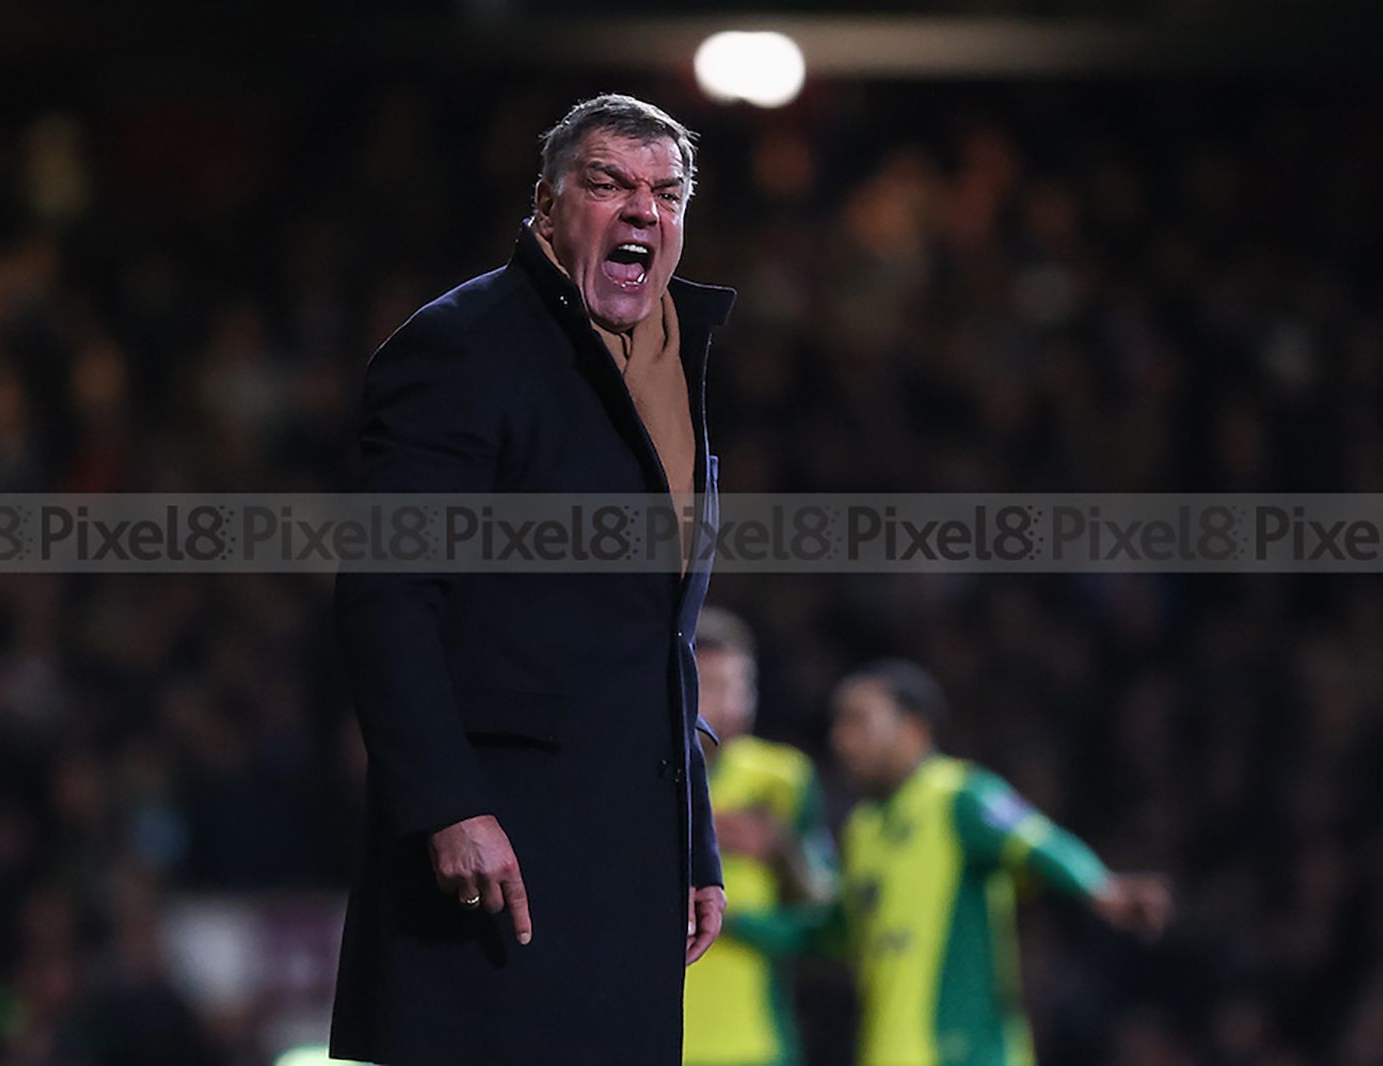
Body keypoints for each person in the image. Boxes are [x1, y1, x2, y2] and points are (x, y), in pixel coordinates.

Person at [329, 94, 735, 1065]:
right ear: (546, 209)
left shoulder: (671, 360)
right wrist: (445, 805)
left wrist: (692, 842)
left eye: (666, 192)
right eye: (609, 184)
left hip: (625, 859)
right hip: (497, 856)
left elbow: (656, 640)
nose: (643, 208)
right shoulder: (464, 344)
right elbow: (389, 592)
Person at [728, 660, 1173, 1066]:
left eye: (859, 721)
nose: (841, 739)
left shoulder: (957, 797)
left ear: (914, 730)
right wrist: (731, 921)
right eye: (838, 724)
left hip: (965, 1054)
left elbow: (1039, 842)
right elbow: (835, 932)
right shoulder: (863, 830)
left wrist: (1102, 889)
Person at [683, 608, 836, 1066]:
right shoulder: (641, 777)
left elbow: (825, 921)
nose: (731, 705)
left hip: (756, 1044)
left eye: (742, 686)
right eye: (712, 685)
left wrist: (782, 851)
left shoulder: (782, 778)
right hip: (658, 1038)